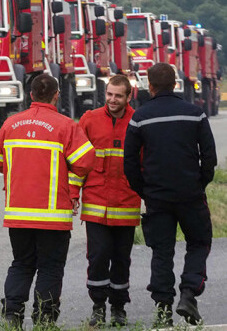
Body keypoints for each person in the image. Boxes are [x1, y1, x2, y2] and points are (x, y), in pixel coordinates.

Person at [0, 73, 95, 329]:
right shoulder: (66, 126)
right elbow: (85, 161)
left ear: (30, 95)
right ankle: (45, 318)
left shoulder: (10, 125)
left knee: (22, 264)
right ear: (56, 95)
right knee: (50, 268)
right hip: (53, 217)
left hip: (18, 214)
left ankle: (12, 314)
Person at [124, 63, 216, 326]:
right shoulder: (195, 113)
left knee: (162, 251)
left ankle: (163, 310)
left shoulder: (140, 118)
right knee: (199, 242)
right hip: (190, 194)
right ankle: (189, 292)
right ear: (175, 83)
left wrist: (145, 190)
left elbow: (129, 162)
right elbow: (209, 157)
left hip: (157, 197)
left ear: (149, 86)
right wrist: (200, 184)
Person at [69, 74, 140, 327]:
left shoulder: (137, 121)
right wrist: (73, 194)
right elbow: (77, 163)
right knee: (97, 257)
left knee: (122, 259)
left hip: (126, 203)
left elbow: (145, 164)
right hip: (96, 204)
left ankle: (118, 307)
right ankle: (98, 306)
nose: (112, 99)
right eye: (109, 94)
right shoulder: (89, 120)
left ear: (128, 96)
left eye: (118, 95)